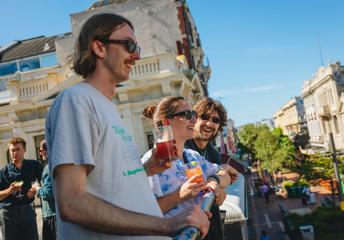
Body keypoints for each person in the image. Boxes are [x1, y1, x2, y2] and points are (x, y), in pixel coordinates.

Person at [45, 13, 210, 240]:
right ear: (99, 48)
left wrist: (148, 169)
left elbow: (110, 185)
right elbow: (72, 203)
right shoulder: (77, 101)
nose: (137, 55)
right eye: (129, 45)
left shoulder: (109, 109)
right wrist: (167, 225)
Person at [141, 97, 237, 218]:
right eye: (188, 114)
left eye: (194, 114)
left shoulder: (192, 156)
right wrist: (180, 195)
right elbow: (143, 212)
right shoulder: (150, 162)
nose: (194, 120)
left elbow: (224, 174)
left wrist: (213, 182)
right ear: (166, 122)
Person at [185, 97, 234, 240]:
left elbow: (220, 195)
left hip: (214, 229)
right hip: (193, 231)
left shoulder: (213, 153)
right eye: (204, 117)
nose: (209, 123)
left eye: (215, 120)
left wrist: (219, 191)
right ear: (194, 119)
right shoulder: (184, 147)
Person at [0, 137, 42, 240]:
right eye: (12, 150)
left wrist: (35, 188)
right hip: (8, 213)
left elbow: (43, 182)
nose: (15, 153)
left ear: (24, 150)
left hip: (28, 209)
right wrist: (10, 190)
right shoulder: (3, 172)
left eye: (18, 149)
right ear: (9, 152)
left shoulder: (34, 165)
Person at [36, 140, 57, 240]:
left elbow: (48, 194)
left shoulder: (48, 168)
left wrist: (37, 188)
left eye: (41, 150)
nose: (40, 153)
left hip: (51, 215)